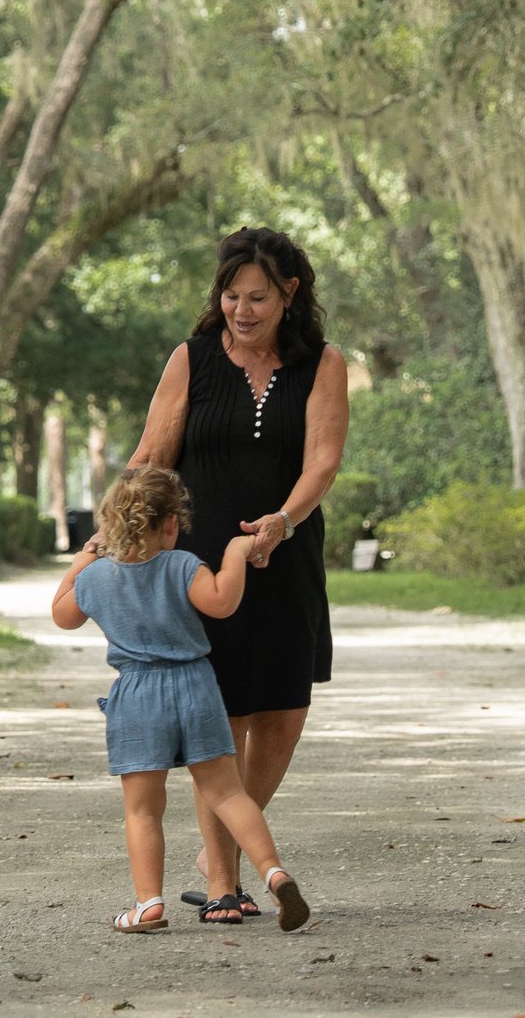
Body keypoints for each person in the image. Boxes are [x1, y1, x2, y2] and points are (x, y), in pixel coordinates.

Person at [125, 225, 346, 925]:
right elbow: (152, 452)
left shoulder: (323, 362)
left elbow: (322, 462)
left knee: (281, 713)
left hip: (284, 558)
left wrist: (284, 517)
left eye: (257, 296)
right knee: (217, 718)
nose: (241, 310)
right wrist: (118, 527)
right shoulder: (191, 359)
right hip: (197, 564)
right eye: (230, 295)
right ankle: (224, 880)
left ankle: (219, 837)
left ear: (291, 292)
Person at [51, 467, 313, 935]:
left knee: (143, 809)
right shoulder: (183, 566)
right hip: (195, 687)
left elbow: (62, 615)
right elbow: (223, 602)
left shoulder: (95, 581)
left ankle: (148, 904)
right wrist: (235, 550)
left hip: (136, 698)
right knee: (228, 793)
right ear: (171, 524)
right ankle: (274, 872)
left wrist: (84, 557)